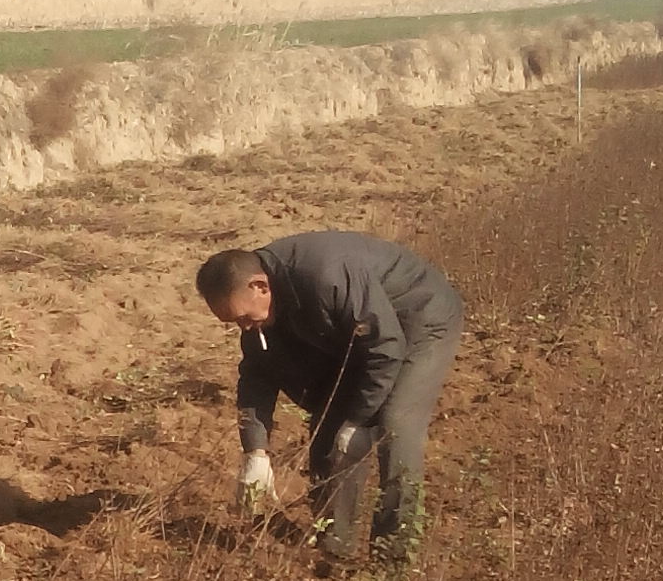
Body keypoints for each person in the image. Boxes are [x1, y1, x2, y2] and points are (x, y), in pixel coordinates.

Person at [196, 233, 465, 559]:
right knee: (328, 426)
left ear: (260, 286)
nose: (243, 328)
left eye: (243, 318)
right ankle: (335, 546)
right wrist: (256, 451)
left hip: (420, 318)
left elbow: (385, 349)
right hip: (361, 336)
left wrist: (358, 420)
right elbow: (257, 375)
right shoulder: (259, 315)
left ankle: (395, 556)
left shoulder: (325, 277)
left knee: (395, 424)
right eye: (233, 322)